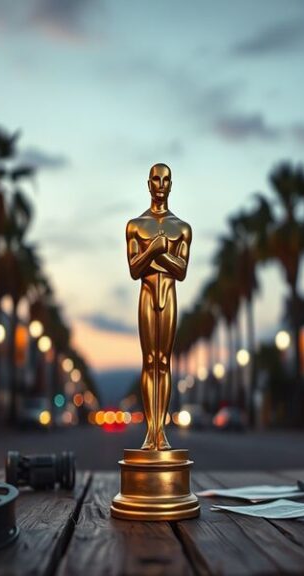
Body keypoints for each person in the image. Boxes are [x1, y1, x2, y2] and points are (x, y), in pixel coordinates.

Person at [126, 163, 192, 450]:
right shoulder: (135, 225)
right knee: (148, 360)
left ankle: (160, 432)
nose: (161, 184)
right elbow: (133, 269)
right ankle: (149, 432)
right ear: (148, 183)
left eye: (166, 179)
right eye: (156, 179)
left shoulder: (182, 228)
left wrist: (156, 255)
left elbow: (181, 271)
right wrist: (156, 249)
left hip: (169, 296)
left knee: (164, 362)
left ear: (171, 184)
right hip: (146, 295)